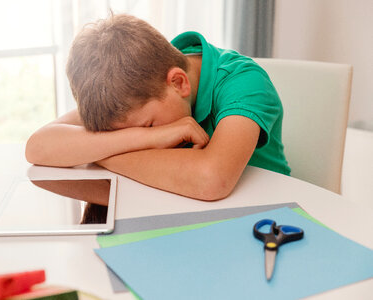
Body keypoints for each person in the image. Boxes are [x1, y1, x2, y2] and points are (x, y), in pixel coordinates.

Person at [25, 14, 290, 201]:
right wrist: (150, 135)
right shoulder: (132, 85)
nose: (141, 138)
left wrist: (97, 150)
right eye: (120, 134)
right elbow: (38, 147)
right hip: (171, 208)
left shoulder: (244, 81)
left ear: (178, 82)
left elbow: (212, 180)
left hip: (259, 219)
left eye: (149, 125)